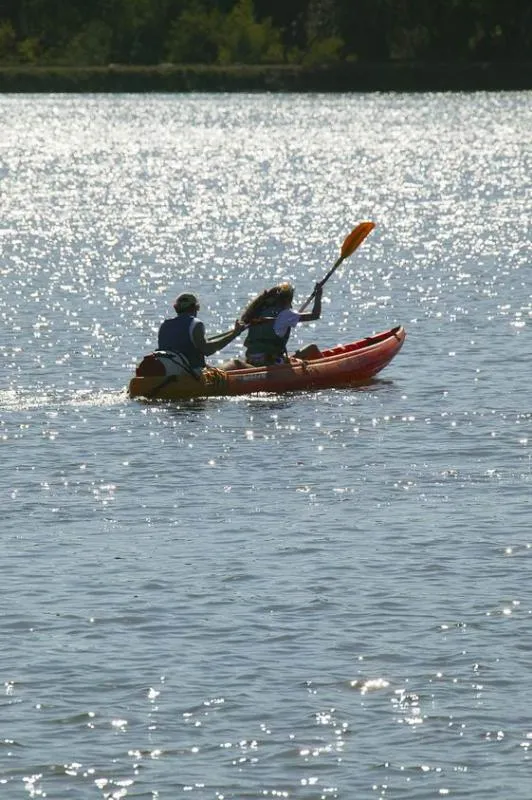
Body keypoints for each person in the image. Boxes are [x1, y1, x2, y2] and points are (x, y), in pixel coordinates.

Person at [235, 281, 323, 367]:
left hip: (251, 359)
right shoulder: (285, 314)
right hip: (269, 361)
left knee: (291, 357)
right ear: (287, 300)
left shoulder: (257, 311)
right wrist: (318, 295)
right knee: (312, 348)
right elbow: (315, 315)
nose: (291, 305)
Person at [157, 292, 245, 374]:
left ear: (176, 308)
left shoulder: (164, 325)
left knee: (211, 367)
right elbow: (207, 350)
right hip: (192, 375)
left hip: (169, 372)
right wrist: (234, 334)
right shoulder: (195, 324)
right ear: (196, 307)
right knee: (237, 364)